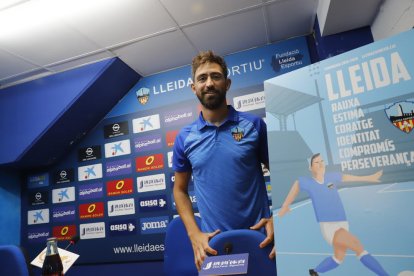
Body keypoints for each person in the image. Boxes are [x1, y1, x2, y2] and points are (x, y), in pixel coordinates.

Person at [172, 50, 275, 271]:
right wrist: (194, 234)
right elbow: (179, 190)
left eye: (215, 76)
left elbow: (282, 172)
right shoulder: (184, 138)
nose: (209, 83)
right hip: (215, 246)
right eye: (202, 78)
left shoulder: (254, 126)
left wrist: (280, 218)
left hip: (261, 240)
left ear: (227, 83)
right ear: (194, 87)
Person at [279, 153, 388, 276]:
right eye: (316, 162)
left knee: (338, 258)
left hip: (342, 222)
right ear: (310, 168)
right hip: (329, 226)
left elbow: (349, 177)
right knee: (357, 245)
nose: (320, 164)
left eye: (322, 161)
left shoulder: (331, 177)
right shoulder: (308, 183)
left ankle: (315, 272)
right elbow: (297, 184)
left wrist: (369, 178)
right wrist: (285, 205)